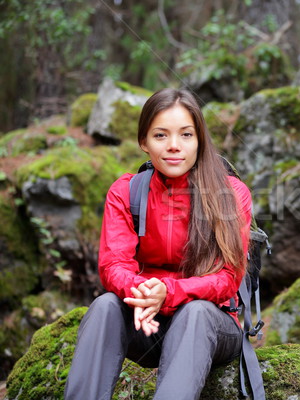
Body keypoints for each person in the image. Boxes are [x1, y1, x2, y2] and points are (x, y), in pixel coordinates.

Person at [64, 88, 252, 400]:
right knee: (106, 306)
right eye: (161, 135)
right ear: (144, 142)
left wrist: (170, 294)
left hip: (211, 325)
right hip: (148, 323)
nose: (174, 146)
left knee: (196, 313)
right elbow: (113, 266)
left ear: (199, 140)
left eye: (186, 135)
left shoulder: (231, 194)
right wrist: (144, 294)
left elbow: (228, 279)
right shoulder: (126, 192)